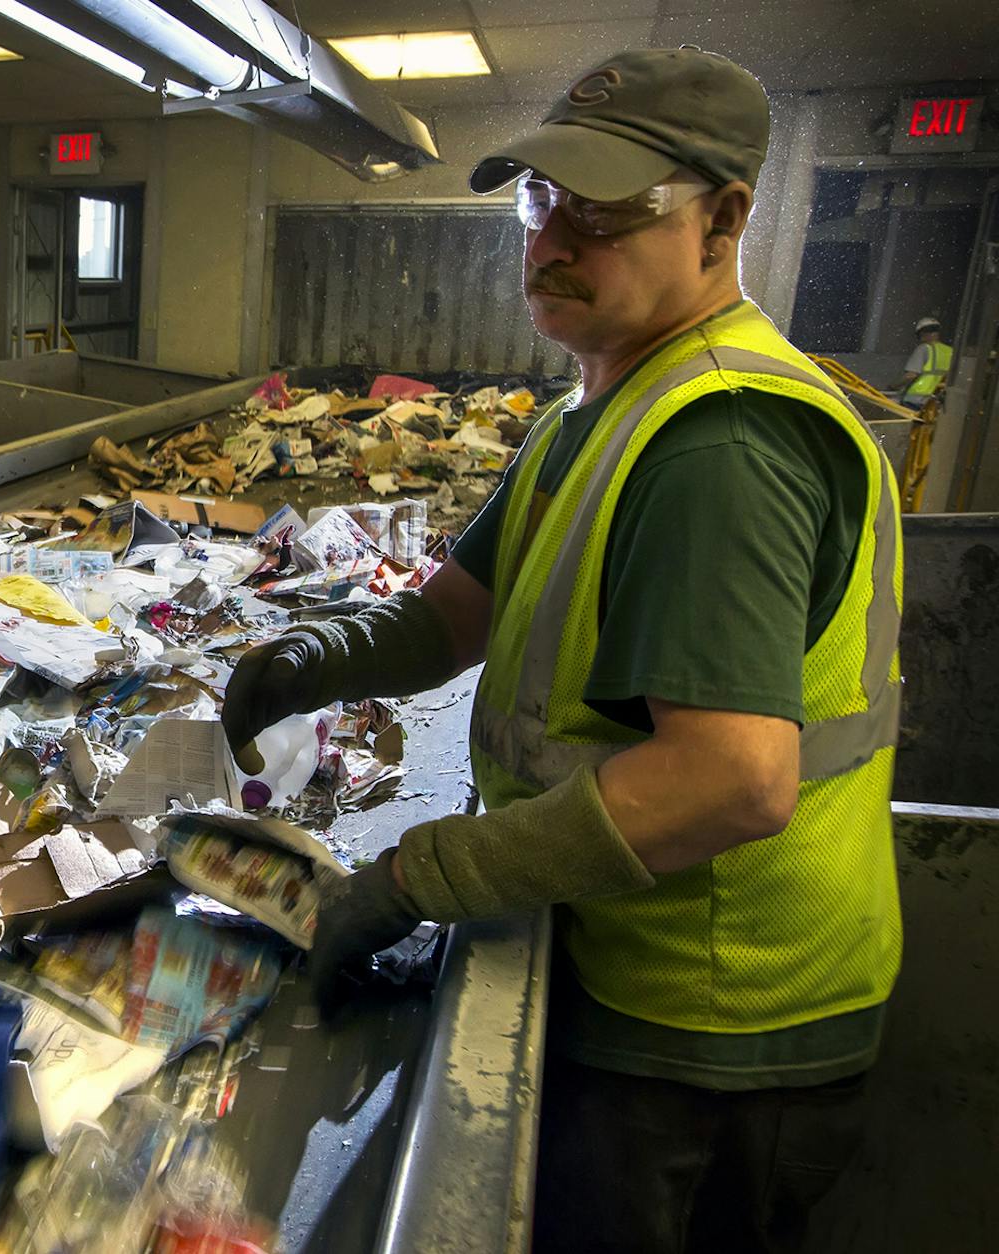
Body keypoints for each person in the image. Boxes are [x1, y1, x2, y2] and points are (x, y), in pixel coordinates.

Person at [223, 49, 899, 1254]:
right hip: (646, 965)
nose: (550, 241)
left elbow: (731, 781)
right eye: (541, 201)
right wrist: (312, 659)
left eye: (606, 209)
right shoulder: (601, 408)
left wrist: (414, 879)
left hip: (715, 1025)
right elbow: (454, 616)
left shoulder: (720, 445)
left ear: (723, 220)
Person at [894, 315, 952, 405]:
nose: (921, 339)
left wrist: (894, 385)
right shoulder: (950, 351)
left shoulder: (924, 349)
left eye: (920, 335)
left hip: (915, 399)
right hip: (933, 402)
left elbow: (911, 375)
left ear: (923, 333)